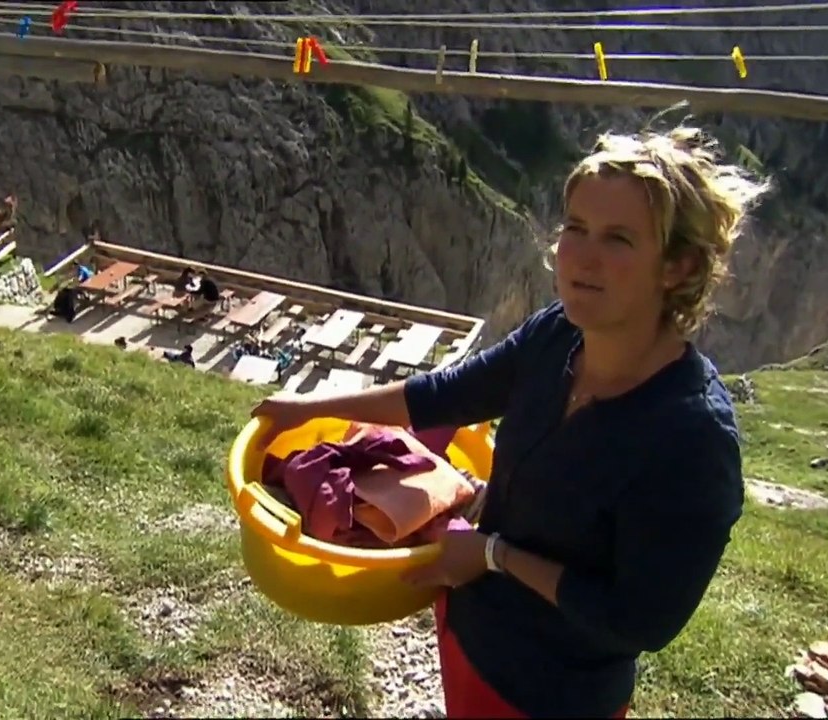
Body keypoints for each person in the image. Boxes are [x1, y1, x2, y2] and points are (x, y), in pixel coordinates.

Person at [250, 125, 769, 719]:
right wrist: (310, 409)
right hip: (470, 631)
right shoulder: (557, 335)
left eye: (618, 239)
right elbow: (446, 395)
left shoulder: (692, 439)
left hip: (554, 696)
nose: (581, 257)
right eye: (575, 227)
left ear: (678, 266)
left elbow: (639, 621)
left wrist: (494, 555)